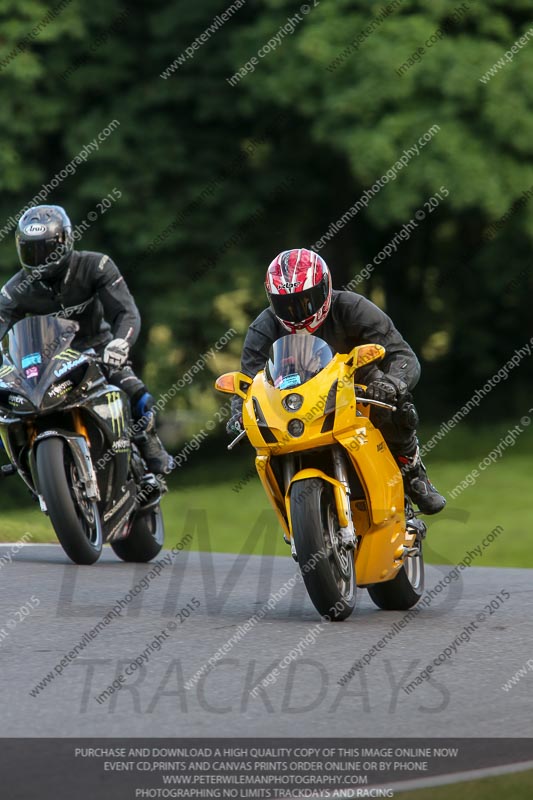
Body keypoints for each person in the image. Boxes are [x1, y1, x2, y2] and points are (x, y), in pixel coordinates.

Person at [226, 248, 445, 515]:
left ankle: (413, 473)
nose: (297, 311)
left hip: (356, 388)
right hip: (293, 402)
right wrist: (239, 412)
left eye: (307, 300)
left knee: (398, 404)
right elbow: (249, 381)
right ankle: (292, 509)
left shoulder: (353, 307)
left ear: (326, 287)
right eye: (286, 304)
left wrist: (391, 384)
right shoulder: (263, 327)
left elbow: (402, 355)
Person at [0, 204, 173, 474]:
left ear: (66, 241)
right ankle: (24, 462)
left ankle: (148, 443)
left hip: (98, 349)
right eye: (31, 251)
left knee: (137, 394)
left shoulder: (96, 265)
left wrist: (121, 343)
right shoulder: (14, 290)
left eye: (47, 249)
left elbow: (126, 311)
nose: (39, 259)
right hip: (46, 364)